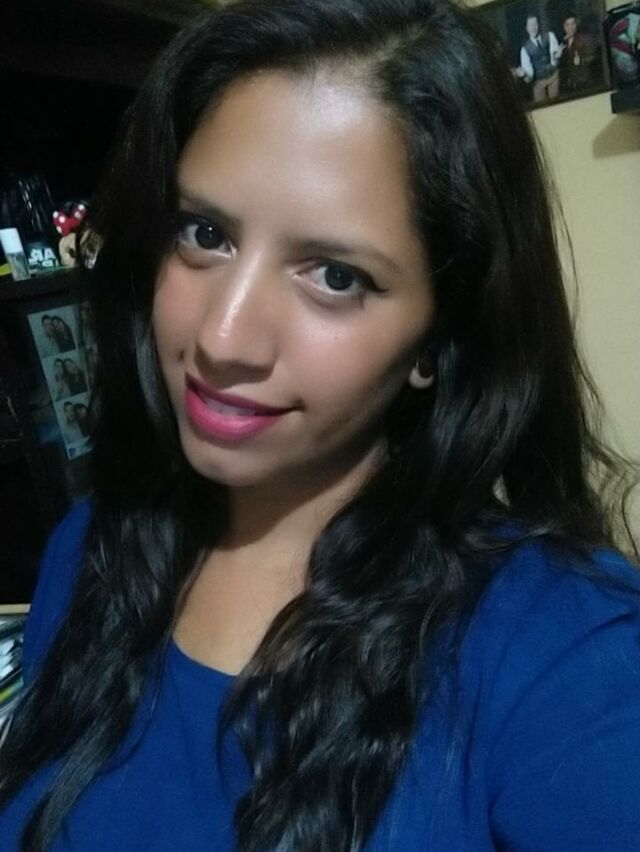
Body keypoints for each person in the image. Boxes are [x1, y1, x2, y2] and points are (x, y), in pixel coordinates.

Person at [1, 1, 639, 850]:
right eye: (204, 234)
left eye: (335, 276)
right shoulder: (90, 551)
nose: (222, 338)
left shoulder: (566, 660)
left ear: (437, 338)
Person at [517, 14, 562, 102]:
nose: (533, 28)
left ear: (539, 25)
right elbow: (529, 75)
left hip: (553, 77)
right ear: (527, 28)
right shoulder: (524, 49)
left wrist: (556, 57)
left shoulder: (550, 36)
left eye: (535, 24)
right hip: (538, 83)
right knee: (542, 106)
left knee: (556, 103)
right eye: (530, 25)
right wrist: (524, 74)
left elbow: (554, 62)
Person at [558, 13, 600, 93]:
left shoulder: (585, 38)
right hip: (571, 85)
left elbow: (594, 57)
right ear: (563, 27)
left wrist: (581, 60)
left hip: (585, 82)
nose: (570, 27)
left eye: (573, 24)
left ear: (576, 25)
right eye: (567, 25)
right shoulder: (563, 42)